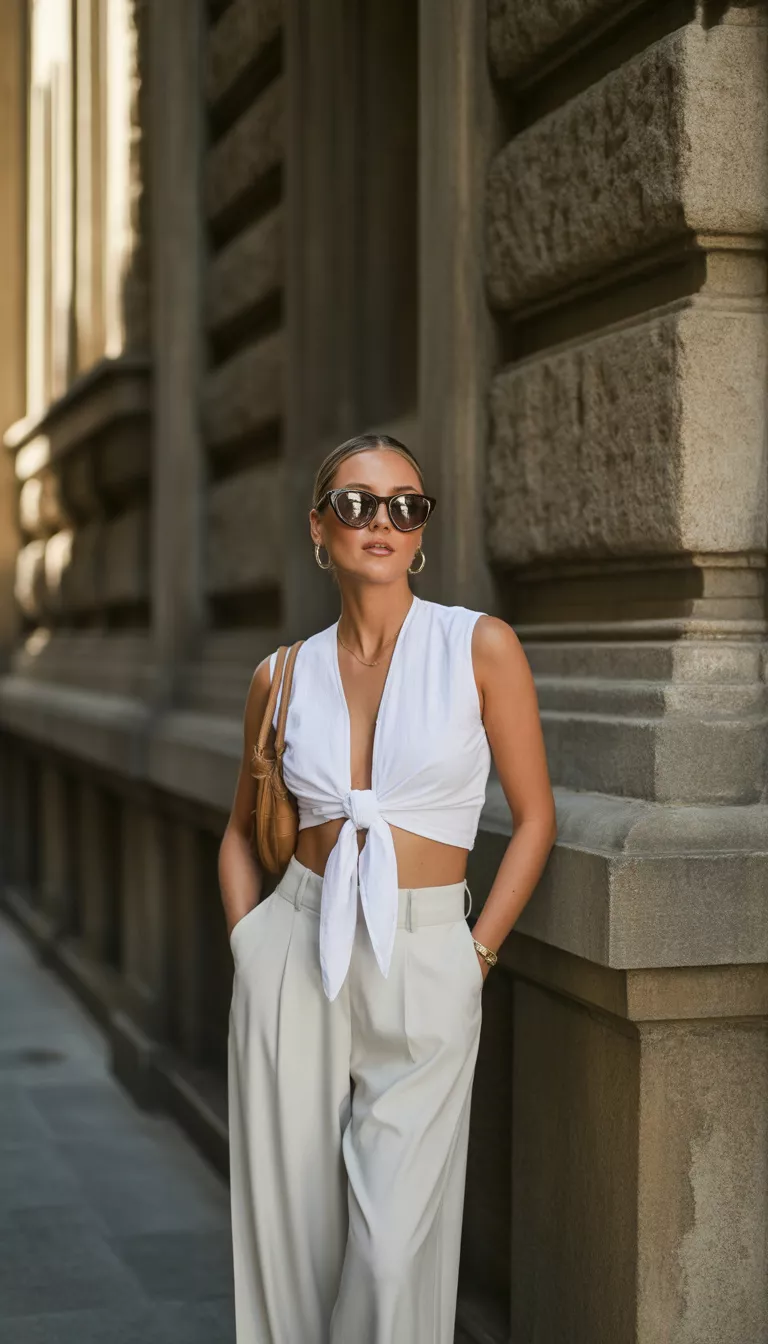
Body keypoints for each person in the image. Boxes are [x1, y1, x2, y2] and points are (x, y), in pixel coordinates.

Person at [218, 432, 557, 1343]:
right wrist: (253, 948)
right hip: (296, 952)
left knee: (390, 1256)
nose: (383, 521)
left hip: (428, 956)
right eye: (357, 503)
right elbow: (240, 833)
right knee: (289, 1244)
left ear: (421, 533)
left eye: (406, 506)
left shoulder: (478, 647)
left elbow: (536, 819)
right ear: (319, 528)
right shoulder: (279, 674)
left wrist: (473, 955)